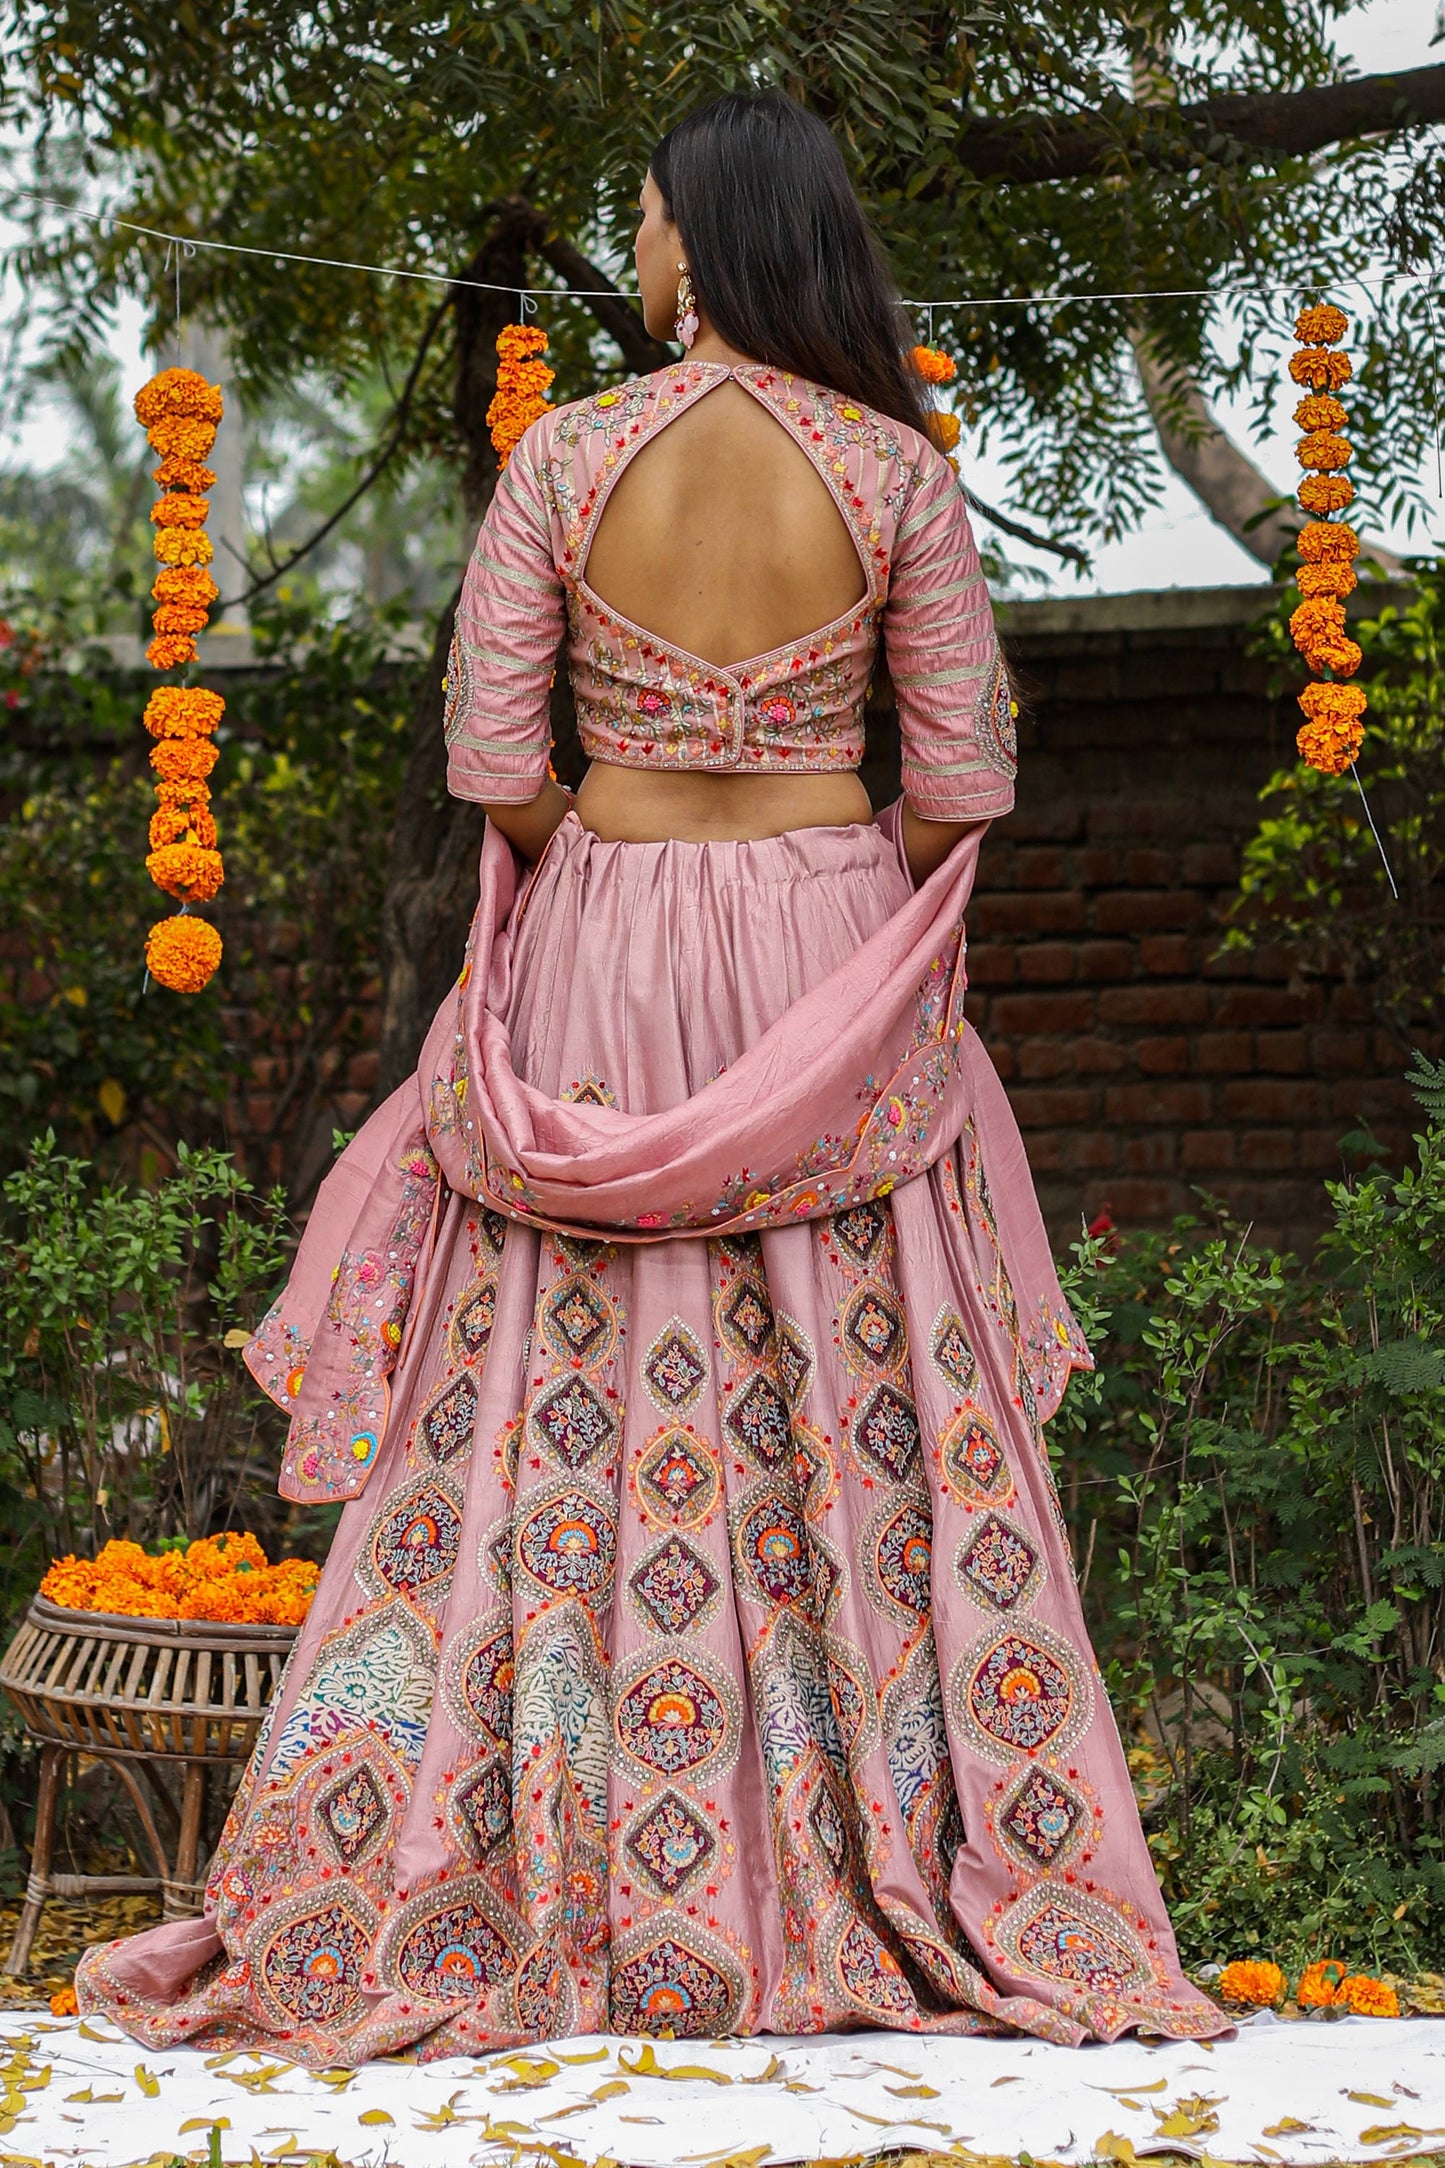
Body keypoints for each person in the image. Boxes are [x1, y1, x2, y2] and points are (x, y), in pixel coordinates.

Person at [79, 90, 1226, 2062]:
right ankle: (862, 1857)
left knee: (544, 1396)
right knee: (854, 1384)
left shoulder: (564, 454)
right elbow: (964, 778)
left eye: (644, 224)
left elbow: (488, 758)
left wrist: (606, 868)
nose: (636, 254)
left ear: (701, 238)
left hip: (601, 923)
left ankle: (512, 1872)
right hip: (825, 944)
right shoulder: (895, 477)